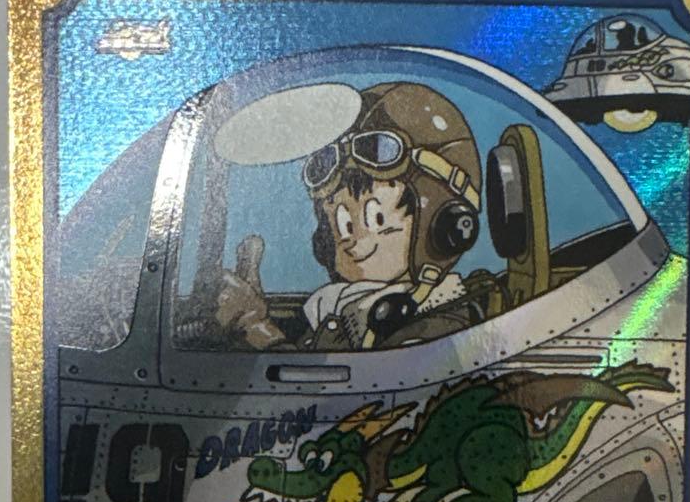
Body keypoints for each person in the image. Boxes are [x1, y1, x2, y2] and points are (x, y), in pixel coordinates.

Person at [214, 81, 505, 351]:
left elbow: (357, 380)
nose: (352, 240)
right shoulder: (334, 306)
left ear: (447, 226)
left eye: (377, 219)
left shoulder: (440, 325)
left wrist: (256, 328)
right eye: (342, 225)